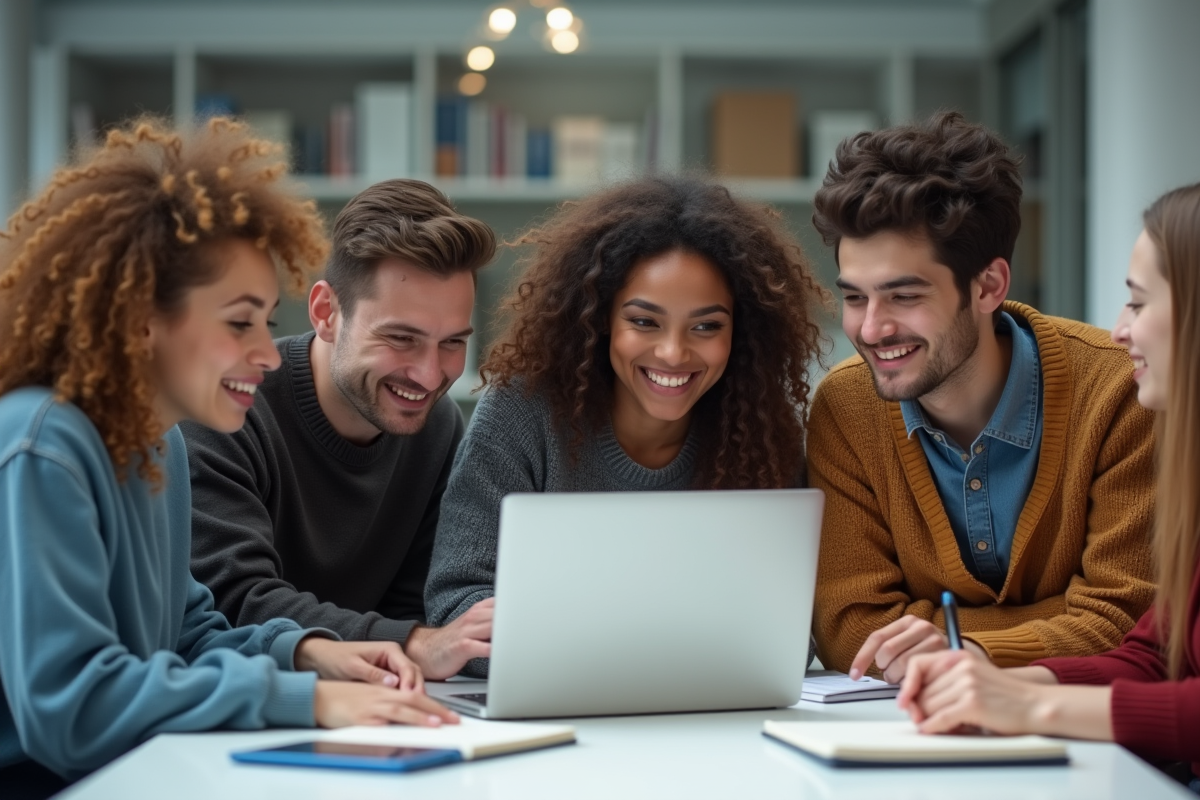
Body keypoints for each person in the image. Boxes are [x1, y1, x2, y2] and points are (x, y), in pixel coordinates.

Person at [0, 119, 456, 799]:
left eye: (266, 324)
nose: (269, 355)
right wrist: (307, 699)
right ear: (140, 314)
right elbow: (73, 707)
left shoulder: (158, 444)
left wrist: (308, 654)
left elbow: (189, 635)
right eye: (239, 322)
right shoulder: (43, 444)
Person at [424, 174, 830, 676]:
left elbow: (789, 632)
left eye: (706, 326)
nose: (673, 353)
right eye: (644, 321)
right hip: (558, 699)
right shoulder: (522, 413)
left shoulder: (762, 431)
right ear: (600, 318)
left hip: (709, 709)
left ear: (740, 333)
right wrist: (627, 658)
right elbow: (456, 604)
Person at [807, 111, 1157, 683]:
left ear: (989, 286)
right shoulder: (844, 409)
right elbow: (852, 630)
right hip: (911, 728)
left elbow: (1130, 621)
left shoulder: (1122, 390)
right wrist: (1052, 625)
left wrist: (970, 649)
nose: (871, 329)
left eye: (903, 296)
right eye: (855, 297)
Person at [896, 182, 1200, 792]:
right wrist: (996, 681)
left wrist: (1030, 706)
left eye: (1139, 304)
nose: (1120, 331)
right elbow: (1154, 658)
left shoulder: (1112, 401)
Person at [181, 179, 497, 681]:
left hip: (372, 696)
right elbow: (233, 603)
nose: (429, 375)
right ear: (326, 313)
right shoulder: (226, 409)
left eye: (452, 343)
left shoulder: (435, 429)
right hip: (245, 700)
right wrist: (415, 644)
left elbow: (412, 604)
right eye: (401, 338)